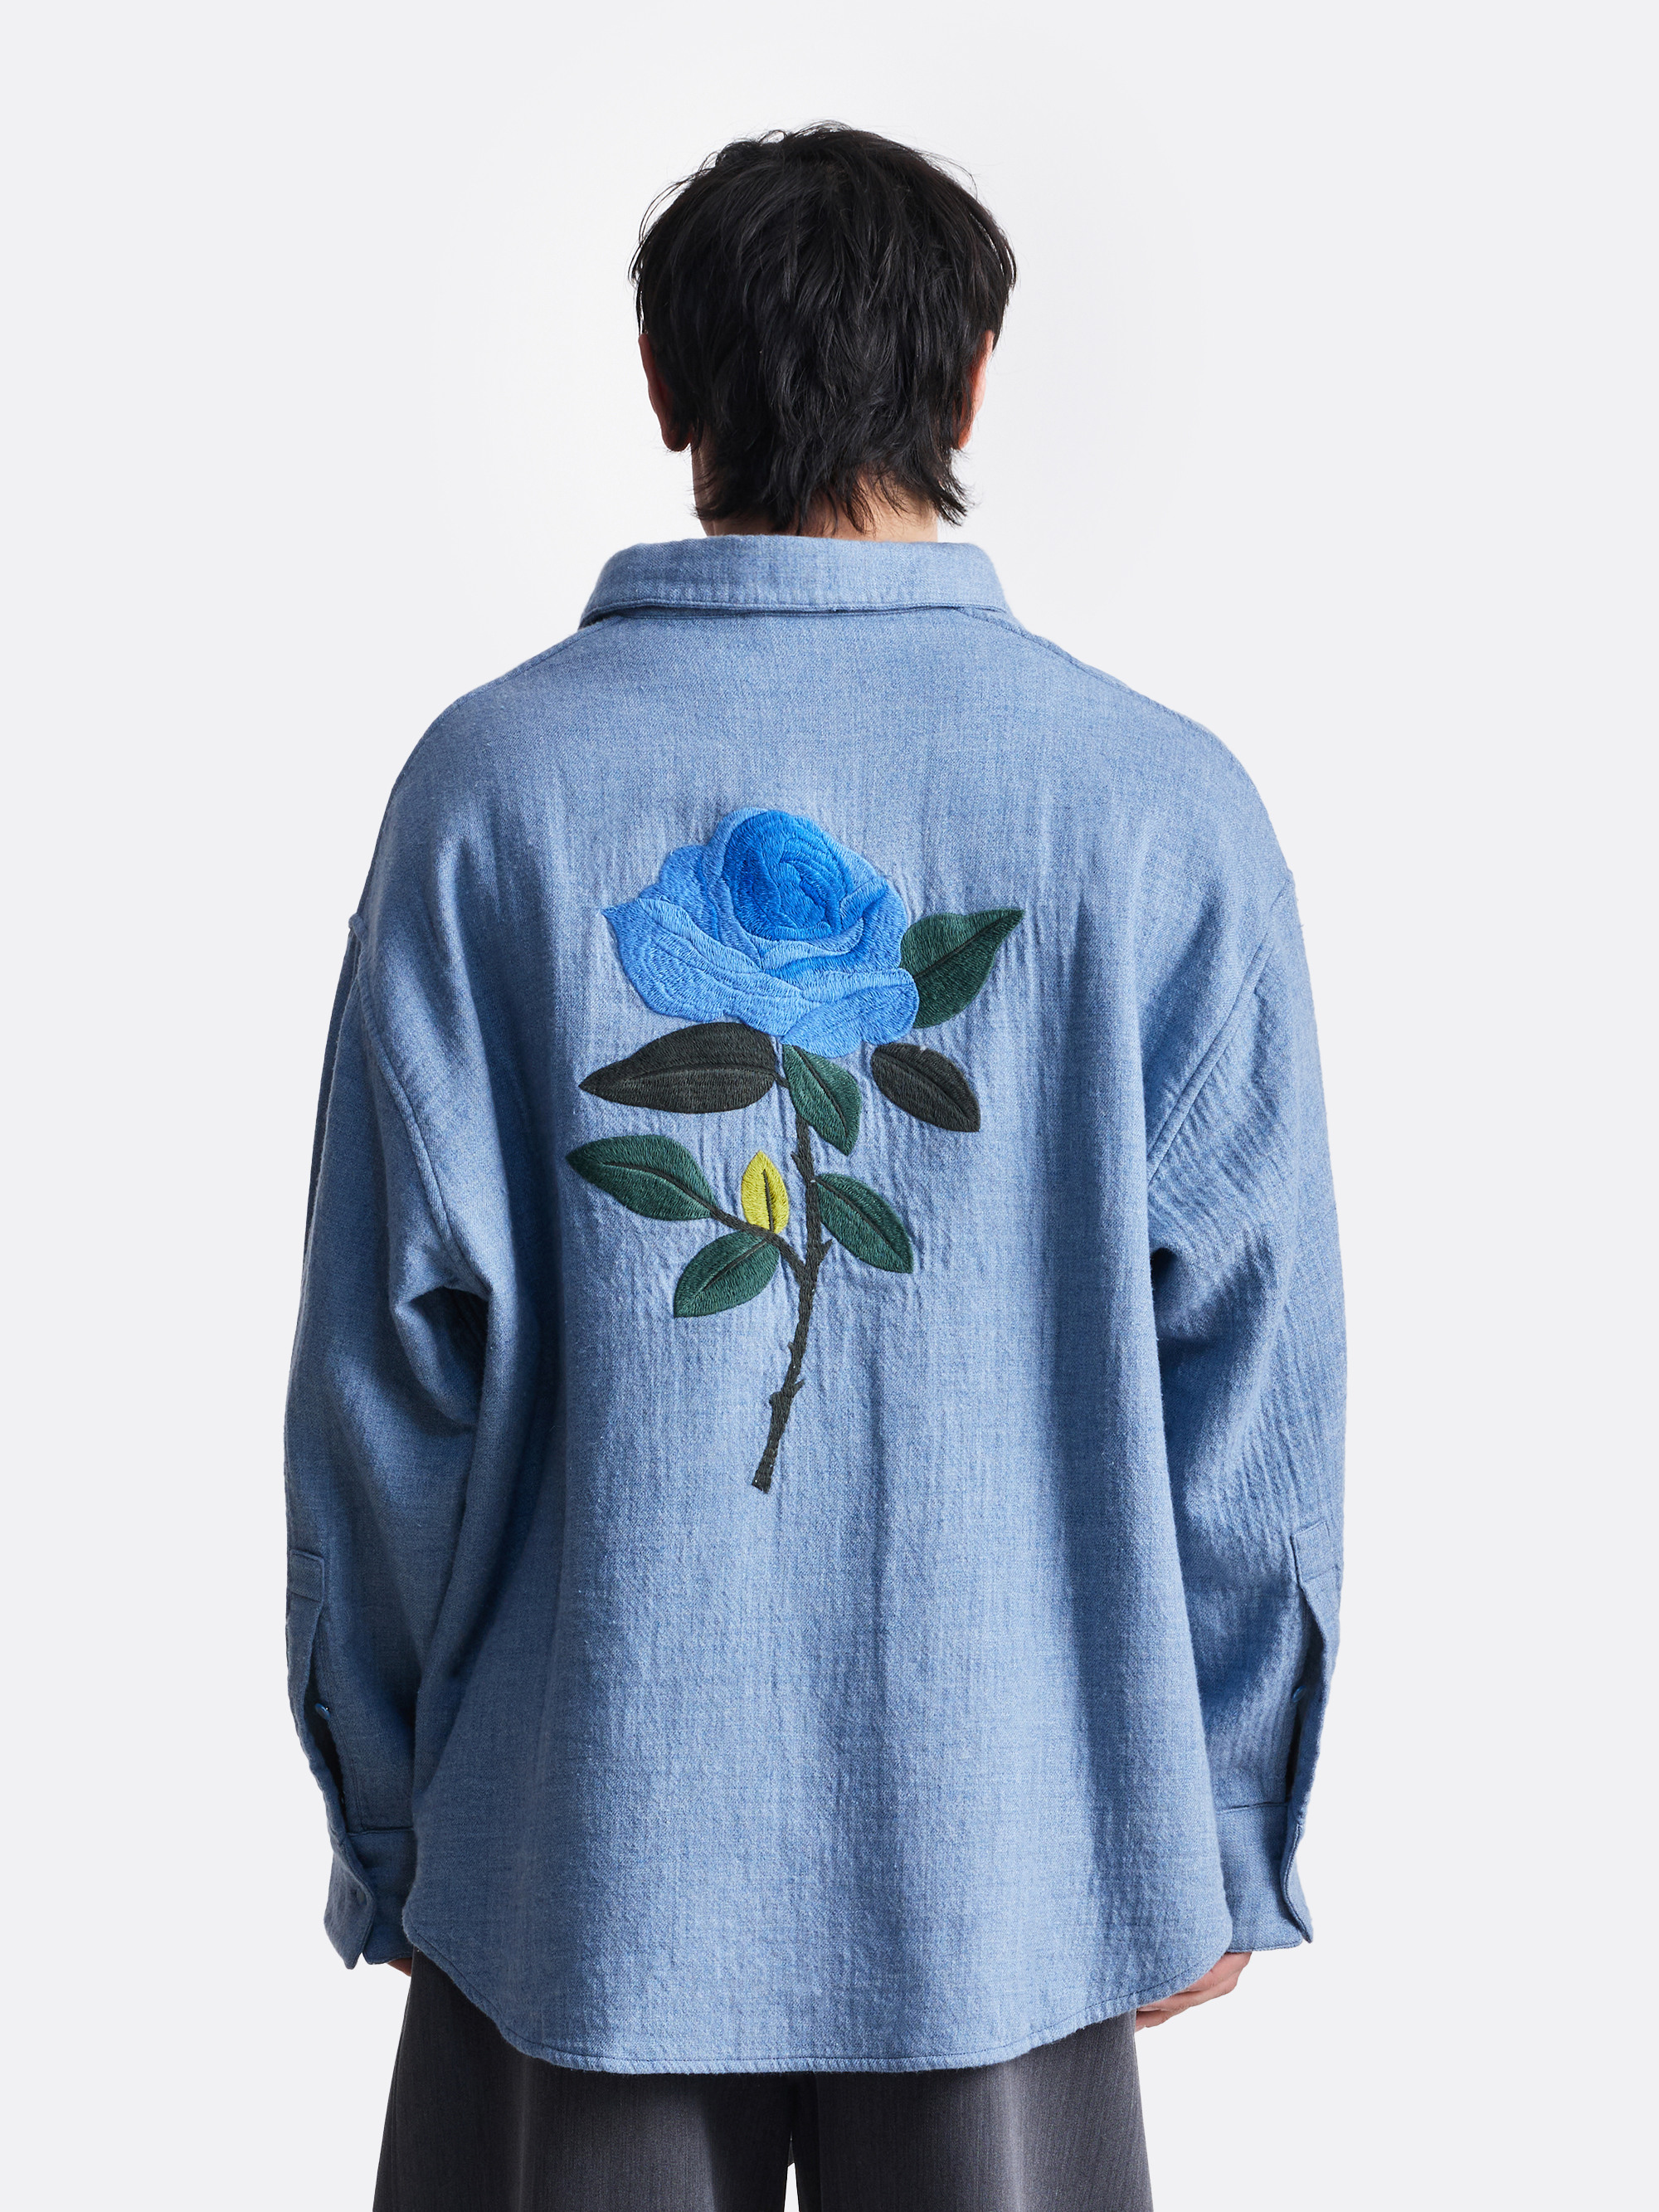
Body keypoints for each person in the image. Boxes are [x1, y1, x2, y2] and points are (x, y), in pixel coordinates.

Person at [285, 123, 1345, 2212]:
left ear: (665, 389)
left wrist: (396, 1813)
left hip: (577, 1852)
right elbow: (1254, 1384)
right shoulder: (1157, 810)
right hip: (1011, 1855)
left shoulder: (490, 794)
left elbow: (383, 1382)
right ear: (970, 387)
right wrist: (1223, 1819)